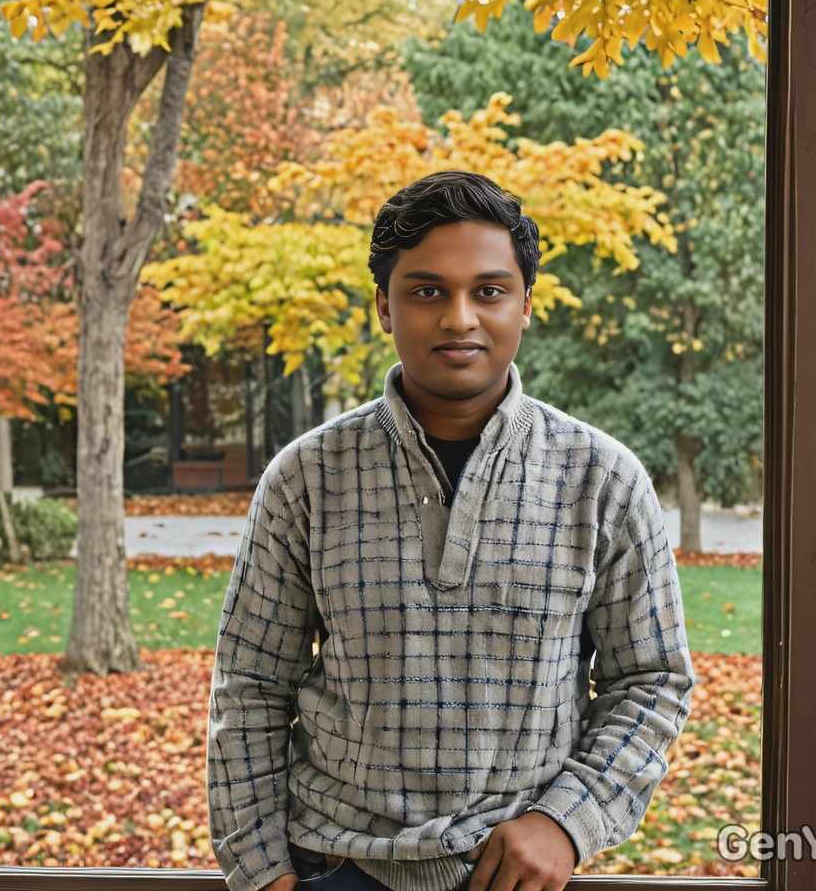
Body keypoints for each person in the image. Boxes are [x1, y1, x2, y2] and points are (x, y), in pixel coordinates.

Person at [207, 171, 696, 891]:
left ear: (526, 305)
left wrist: (567, 820)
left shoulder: (602, 478)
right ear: (384, 305)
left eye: (489, 291)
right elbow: (250, 687)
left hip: (520, 872)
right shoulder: (306, 477)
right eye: (428, 291)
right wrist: (263, 875)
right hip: (335, 866)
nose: (460, 317)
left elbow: (653, 680)